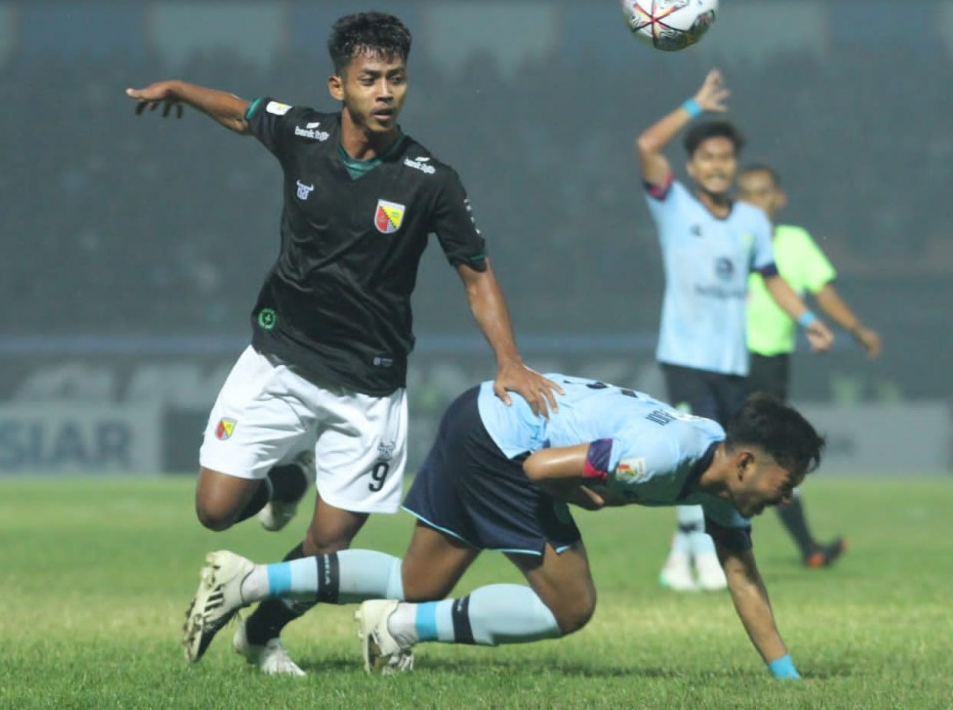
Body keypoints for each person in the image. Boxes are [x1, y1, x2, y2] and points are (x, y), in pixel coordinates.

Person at [127, 11, 561, 677]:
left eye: (396, 78)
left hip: (367, 388)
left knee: (327, 549)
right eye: (370, 79)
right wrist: (182, 90)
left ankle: (260, 634)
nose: (386, 91)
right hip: (279, 361)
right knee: (214, 512)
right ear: (339, 87)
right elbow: (242, 113)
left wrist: (510, 361)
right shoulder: (303, 134)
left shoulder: (430, 179)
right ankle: (285, 478)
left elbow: (476, 274)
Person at [182, 374, 825, 681]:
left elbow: (743, 577)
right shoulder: (658, 457)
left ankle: (248, 581)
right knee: (572, 606)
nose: (786, 496)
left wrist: (786, 678)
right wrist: (584, 493)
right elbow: (542, 468)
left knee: (417, 582)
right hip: (506, 444)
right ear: (747, 463)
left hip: (480, 415)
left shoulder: (719, 479)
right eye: (786, 481)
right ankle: (396, 628)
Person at [634, 69, 834, 592]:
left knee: (723, 458)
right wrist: (695, 106)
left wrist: (809, 321)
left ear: (734, 165)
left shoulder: (751, 221)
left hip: (732, 360)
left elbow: (773, 279)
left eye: (725, 157)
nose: (718, 165)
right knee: (699, 453)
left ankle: (682, 557)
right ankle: (699, 555)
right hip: (685, 355)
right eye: (707, 157)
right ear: (692, 165)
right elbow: (647, 145)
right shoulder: (673, 206)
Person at [737, 164, 882, 568]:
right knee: (740, 453)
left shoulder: (795, 243)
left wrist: (855, 328)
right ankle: (699, 548)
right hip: (725, 360)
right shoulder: (728, 240)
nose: (754, 201)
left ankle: (804, 548)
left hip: (770, 365)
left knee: (767, 456)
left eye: (762, 192)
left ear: (779, 198)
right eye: (746, 194)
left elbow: (824, 292)